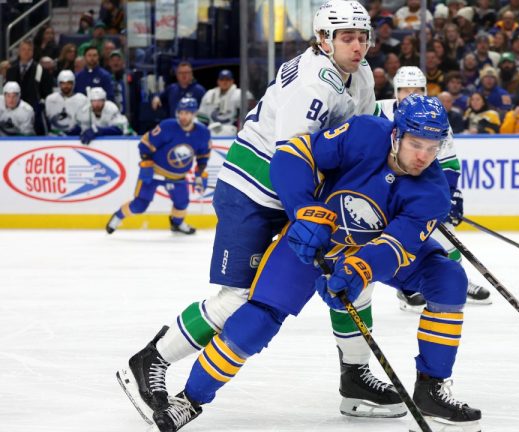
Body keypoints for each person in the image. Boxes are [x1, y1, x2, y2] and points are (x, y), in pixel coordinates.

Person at [116, 1, 403, 426]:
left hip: (303, 198)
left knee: (356, 278)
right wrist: (308, 218)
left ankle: (354, 375)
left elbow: (361, 140)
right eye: (347, 37)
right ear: (324, 40)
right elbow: (291, 161)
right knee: (239, 299)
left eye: (363, 37)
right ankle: (149, 360)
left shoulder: (357, 74)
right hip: (252, 193)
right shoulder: (312, 85)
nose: (358, 46)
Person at [152, 94, 482, 432]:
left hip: (367, 250)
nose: (423, 156)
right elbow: (292, 155)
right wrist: (302, 210)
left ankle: (431, 390)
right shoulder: (364, 133)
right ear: (396, 134)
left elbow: (395, 247)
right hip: (314, 239)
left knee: (448, 277)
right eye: (416, 144)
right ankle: (189, 399)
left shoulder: (433, 192)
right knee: (258, 320)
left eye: (432, 147)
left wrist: (358, 270)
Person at [375, 66, 491, 312]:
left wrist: (450, 195)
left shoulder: (435, 116)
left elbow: (448, 160)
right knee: (393, 239)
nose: (411, 94)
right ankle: (406, 288)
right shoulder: (377, 109)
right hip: (381, 186)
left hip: (417, 184)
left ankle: (457, 280)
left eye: (416, 90)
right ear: (396, 91)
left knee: (443, 234)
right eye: (405, 90)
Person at [105, 98, 210, 235]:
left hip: (177, 177)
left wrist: (200, 174)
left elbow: (202, 156)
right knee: (140, 204)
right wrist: (147, 163)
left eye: (187, 113)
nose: (183, 116)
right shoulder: (168, 126)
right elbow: (145, 144)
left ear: (194, 114)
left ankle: (177, 224)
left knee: (182, 202)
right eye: (181, 112)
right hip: (154, 172)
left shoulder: (203, 133)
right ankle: (118, 216)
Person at [197, 69, 252, 136]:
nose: (224, 82)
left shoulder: (241, 94)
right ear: (218, 81)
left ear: (232, 81)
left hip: (231, 130)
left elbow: (249, 114)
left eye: (227, 80)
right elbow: (202, 117)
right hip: (211, 129)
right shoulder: (209, 94)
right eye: (222, 80)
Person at [45, 70, 88, 136]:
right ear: (58, 84)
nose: (66, 86)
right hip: (53, 137)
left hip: (74, 137)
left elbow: (84, 122)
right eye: (63, 83)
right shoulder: (50, 99)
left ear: (73, 84)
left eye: (69, 83)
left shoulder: (82, 99)